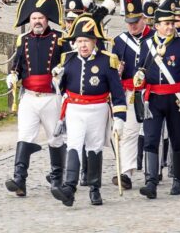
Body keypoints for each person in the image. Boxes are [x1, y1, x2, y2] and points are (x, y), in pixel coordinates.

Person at [50, 13, 127, 207]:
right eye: (79, 41)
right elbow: (61, 89)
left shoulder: (107, 61)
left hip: (98, 109)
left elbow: (117, 93)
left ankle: (95, 188)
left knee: (94, 147)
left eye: (86, 41)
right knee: (74, 145)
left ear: (94, 42)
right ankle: (69, 188)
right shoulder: (68, 59)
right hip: (75, 109)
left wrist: (119, 119)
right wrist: (57, 79)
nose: (82, 45)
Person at [5, 0, 69, 198]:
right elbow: (17, 64)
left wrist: (62, 71)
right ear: (29, 21)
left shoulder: (59, 39)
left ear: (46, 19)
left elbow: (69, 64)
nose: (37, 22)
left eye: (40, 18)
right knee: (24, 135)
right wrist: (12, 75)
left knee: (55, 137)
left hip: (52, 96)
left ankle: (57, 179)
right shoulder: (23, 40)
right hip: (30, 97)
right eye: (33, 19)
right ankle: (19, 179)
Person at [133, 0, 180, 198]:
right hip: (153, 99)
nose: (170, 27)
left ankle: (177, 179)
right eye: (166, 24)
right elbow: (141, 70)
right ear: (157, 26)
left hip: (176, 99)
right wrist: (139, 78)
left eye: (172, 23)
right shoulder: (146, 45)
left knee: (177, 139)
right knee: (151, 139)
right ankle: (151, 181)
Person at [111, 0, 152, 187]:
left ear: (143, 18)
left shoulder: (154, 37)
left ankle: (154, 169)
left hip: (152, 90)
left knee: (154, 133)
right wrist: (117, 71)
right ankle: (125, 172)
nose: (133, 26)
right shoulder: (119, 41)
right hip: (130, 92)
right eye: (129, 22)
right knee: (128, 132)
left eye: (136, 21)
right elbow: (113, 68)